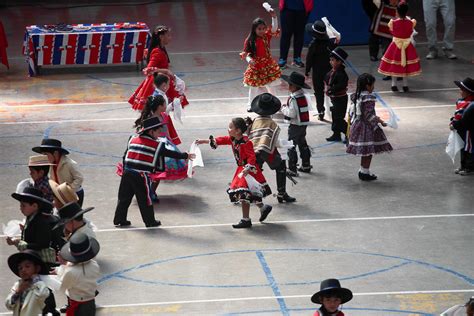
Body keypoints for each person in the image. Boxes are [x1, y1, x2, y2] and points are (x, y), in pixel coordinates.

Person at [114, 116, 195, 228]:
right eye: (158, 130)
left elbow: (125, 155)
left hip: (127, 172)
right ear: (151, 131)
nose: (160, 132)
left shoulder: (132, 139)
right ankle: (150, 221)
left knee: (124, 197)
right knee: (145, 199)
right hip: (140, 175)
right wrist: (185, 155)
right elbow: (169, 153)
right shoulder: (156, 145)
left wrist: (125, 169)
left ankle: (119, 219)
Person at [196, 118, 273, 229]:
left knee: (244, 193)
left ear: (238, 130)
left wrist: (248, 168)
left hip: (248, 170)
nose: (228, 129)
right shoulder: (233, 139)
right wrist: (203, 141)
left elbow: (252, 157)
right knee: (250, 192)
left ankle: (246, 219)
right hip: (243, 169)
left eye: (230, 127)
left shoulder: (246, 142)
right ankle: (263, 208)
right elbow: (220, 140)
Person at [246, 93, 296, 203]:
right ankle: (281, 193)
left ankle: (252, 194)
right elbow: (272, 142)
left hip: (254, 151)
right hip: (267, 151)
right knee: (281, 166)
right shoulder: (272, 124)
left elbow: (251, 136)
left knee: (255, 171)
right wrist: (284, 144)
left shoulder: (255, 121)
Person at [129, 25, 188, 111]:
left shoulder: (161, 49)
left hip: (162, 81)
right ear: (161, 37)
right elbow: (148, 70)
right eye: (168, 35)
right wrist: (166, 71)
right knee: (157, 109)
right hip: (157, 83)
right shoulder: (157, 51)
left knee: (162, 109)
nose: (170, 38)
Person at [346, 73, 393, 181]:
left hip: (357, 125)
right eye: (372, 85)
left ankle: (363, 170)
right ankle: (364, 172)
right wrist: (380, 121)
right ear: (368, 86)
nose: (373, 87)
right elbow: (368, 115)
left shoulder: (356, 96)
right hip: (366, 128)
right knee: (368, 151)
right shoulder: (368, 98)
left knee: (365, 151)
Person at [240, 8, 281, 111]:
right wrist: (249, 60)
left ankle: (275, 103)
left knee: (271, 85)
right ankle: (250, 104)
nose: (262, 31)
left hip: (267, 65)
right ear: (254, 29)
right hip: (256, 66)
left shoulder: (266, 36)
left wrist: (274, 16)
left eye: (263, 28)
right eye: (259, 29)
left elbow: (274, 29)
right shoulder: (249, 40)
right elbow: (246, 54)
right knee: (253, 87)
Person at [378, 2, 421, 92]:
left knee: (395, 64)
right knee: (405, 65)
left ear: (397, 12)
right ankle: (405, 85)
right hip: (407, 46)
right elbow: (410, 32)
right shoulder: (411, 23)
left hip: (395, 46)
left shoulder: (393, 23)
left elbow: (392, 31)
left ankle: (394, 84)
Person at [56, 233, 100, 316]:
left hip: (78, 306)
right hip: (90, 303)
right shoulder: (94, 265)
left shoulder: (70, 271)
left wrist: (62, 267)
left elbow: (62, 286)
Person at [32, 138, 85, 206]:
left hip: (75, 194)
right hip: (59, 194)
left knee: (74, 214)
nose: (44, 157)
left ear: (55, 153)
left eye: (46, 154)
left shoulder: (69, 163)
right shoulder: (51, 164)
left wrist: (69, 190)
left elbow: (79, 178)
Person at [305, 20, 338, 121]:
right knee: (332, 90)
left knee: (318, 92)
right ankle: (335, 109)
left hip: (317, 72)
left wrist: (307, 71)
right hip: (329, 70)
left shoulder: (313, 45)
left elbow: (309, 59)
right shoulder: (330, 43)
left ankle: (321, 111)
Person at [281, 72, 312, 176]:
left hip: (295, 125)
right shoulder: (303, 95)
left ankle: (292, 169)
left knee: (291, 146)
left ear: (295, 86)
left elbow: (292, 113)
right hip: (303, 124)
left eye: (290, 84)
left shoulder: (293, 99)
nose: (288, 86)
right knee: (303, 144)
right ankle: (306, 165)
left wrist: (283, 109)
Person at [5, 250, 50, 316]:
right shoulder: (18, 285)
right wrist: (18, 291)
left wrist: (36, 280)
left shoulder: (42, 285)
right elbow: (8, 305)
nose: (23, 270)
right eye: (20, 268)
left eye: (27, 266)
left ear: (37, 268)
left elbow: (42, 295)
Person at [278, 0, 314, 69]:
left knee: (299, 34)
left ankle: (297, 58)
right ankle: (283, 59)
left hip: (302, 8)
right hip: (287, 8)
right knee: (286, 34)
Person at [324, 47, 349, 142]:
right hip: (334, 99)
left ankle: (349, 132)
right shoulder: (332, 71)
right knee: (334, 116)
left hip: (340, 99)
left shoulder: (342, 74)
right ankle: (336, 134)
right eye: (330, 60)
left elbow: (341, 85)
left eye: (333, 60)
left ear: (339, 61)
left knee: (339, 118)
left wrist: (331, 90)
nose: (331, 62)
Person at [450, 77, 474, 176]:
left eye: (462, 90)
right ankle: (463, 166)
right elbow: (458, 115)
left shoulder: (471, 105)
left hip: (469, 130)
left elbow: (466, 120)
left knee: (469, 148)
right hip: (463, 130)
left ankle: (469, 167)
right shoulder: (463, 102)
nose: (460, 91)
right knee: (463, 147)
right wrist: (453, 121)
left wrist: (455, 124)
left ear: (468, 92)